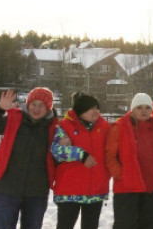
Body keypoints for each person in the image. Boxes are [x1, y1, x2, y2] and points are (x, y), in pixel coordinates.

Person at [0, 87, 58, 229]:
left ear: (48, 108)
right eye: (33, 104)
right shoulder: (14, 118)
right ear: (27, 104)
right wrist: (0, 109)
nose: (36, 109)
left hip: (37, 192)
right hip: (6, 188)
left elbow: (58, 158)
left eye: (41, 105)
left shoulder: (55, 128)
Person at [105, 93, 153, 229]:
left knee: (148, 225)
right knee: (125, 224)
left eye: (147, 107)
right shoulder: (120, 126)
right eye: (139, 107)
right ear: (132, 109)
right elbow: (110, 155)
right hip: (128, 187)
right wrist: (121, 175)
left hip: (152, 187)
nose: (144, 111)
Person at [51, 92, 111, 229]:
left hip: (96, 189)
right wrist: (80, 155)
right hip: (69, 190)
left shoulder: (105, 127)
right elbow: (55, 151)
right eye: (91, 108)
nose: (95, 111)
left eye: (97, 107)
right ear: (80, 111)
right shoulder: (64, 126)